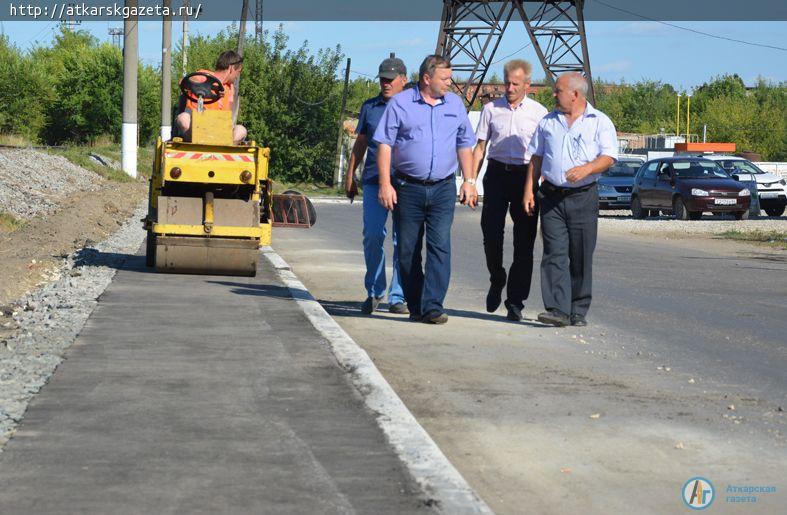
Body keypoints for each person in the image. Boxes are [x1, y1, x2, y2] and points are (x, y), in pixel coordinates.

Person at [373, 55, 478, 325]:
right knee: (407, 249)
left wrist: (469, 180)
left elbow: (465, 143)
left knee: (439, 246)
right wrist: (385, 184)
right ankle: (417, 302)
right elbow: (384, 145)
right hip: (407, 187)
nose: (450, 83)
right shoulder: (401, 104)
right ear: (427, 78)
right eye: (445, 79)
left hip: (443, 187)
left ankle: (432, 305)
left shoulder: (455, 104)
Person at [523, 72, 618, 327]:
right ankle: (557, 309)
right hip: (552, 196)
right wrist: (529, 191)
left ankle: (577, 309)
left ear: (575, 94)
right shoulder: (547, 123)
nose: (553, 94)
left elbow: (609, 156)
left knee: (581, 254)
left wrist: (586, 169)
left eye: (558, 90)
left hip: (583, 196)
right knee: (554, 253)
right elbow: (536, 158)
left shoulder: (599, 122)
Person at [472, 59, 548, 321]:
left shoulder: (539, 113)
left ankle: (515, 301)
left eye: (515, 83)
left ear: (527, 85)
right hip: (496, 174)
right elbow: (480, 147)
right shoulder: (491, 109)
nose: (510, 88)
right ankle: (497, 277)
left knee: (524, 243)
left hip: (525, 178)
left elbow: (542, 153)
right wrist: (470, 180)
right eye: (506, 82)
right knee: (490, 232)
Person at [345, 57, 409, 315]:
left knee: (403, 240)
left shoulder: (413, 107)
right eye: (382, 79)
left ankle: (398, 296)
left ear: (403, 79)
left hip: (405, 182)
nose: (385, 83)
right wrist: (350, 175)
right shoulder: (370, 107)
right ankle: (375, 290)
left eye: (390, 79)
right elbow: (360, 142)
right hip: (373, 180)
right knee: (372, 235)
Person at [175, 50, 248, 145]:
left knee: (241, 130)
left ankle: (225, 149)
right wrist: (209, 88)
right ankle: (197, 145)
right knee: (183, 118)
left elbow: (229, 116)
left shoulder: (230, 89)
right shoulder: (203, 75)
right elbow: (183, 82)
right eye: (238, 72)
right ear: (231, 69)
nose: (237, 76)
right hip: (196, 127)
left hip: (219, 130)